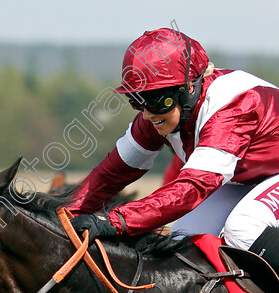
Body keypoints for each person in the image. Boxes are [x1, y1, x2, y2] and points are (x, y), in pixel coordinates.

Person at [68, 28, 279, 271]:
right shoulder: (157, 115)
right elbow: (110, 174)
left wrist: (114, 221)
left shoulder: (234, 108)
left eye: (157, 100)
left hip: (264, 177)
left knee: (243, 229)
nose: (147, 113)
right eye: (138, 100)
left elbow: (191, 189)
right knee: (183, 238)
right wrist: (59, 215)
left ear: (190, 87)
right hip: (251, 179)